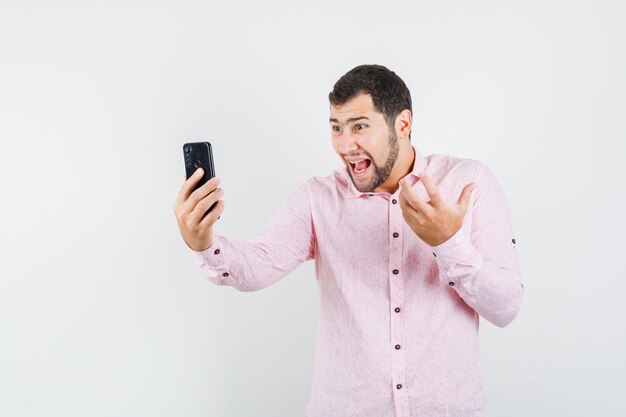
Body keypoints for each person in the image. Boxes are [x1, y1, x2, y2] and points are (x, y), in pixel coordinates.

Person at [173, 64, 524, 417]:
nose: (345, 145)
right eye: (336, 128)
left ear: (402, 125)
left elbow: (505, 307)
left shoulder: (468, 182)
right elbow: (257, 267)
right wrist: (202, 241)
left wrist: (448, 242)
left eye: (359, 127)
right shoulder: (317, 198)